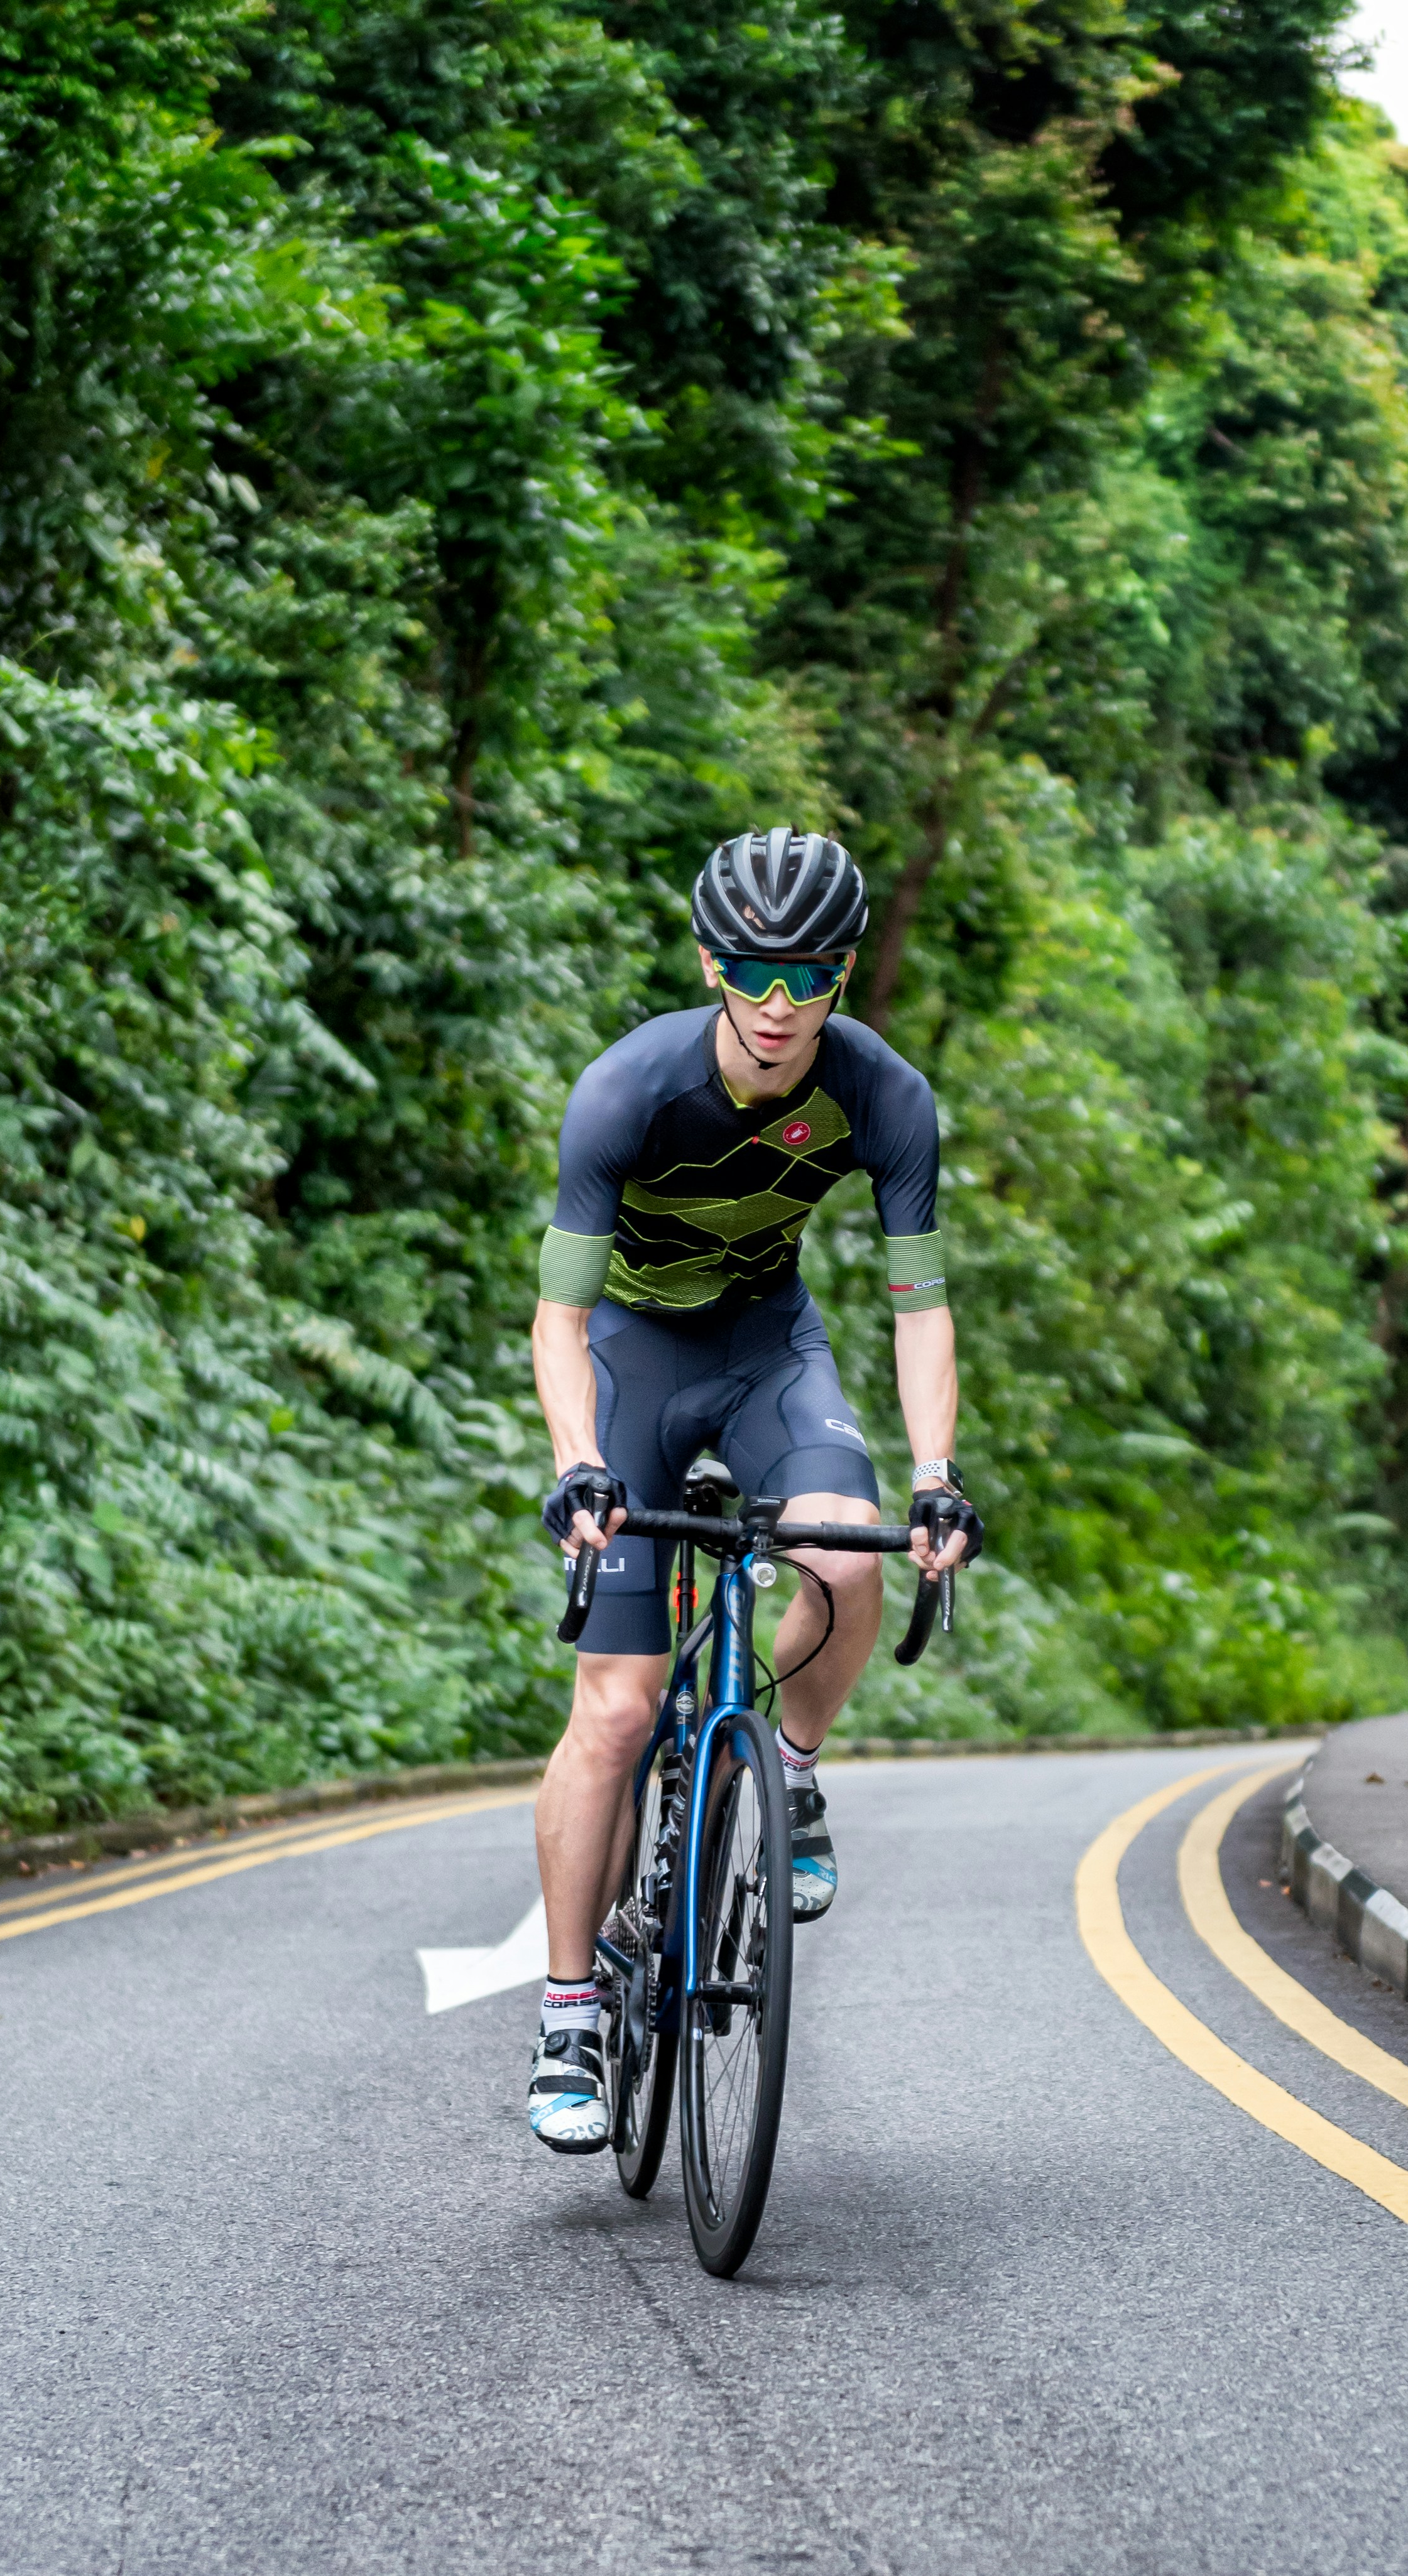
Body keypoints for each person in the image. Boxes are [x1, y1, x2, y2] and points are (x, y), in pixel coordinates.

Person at [524, 827, 983, 2153]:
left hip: (771, 1352)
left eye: (812, 971)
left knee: (847, 1559)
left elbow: (919, 1306)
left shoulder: (885, 1097)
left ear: (843, 973)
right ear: (712, 959)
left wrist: (937, 1474)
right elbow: (557, 1319)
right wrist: (578, 1465)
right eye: (755, 968)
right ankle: (566, 2013)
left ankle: (788, 1770)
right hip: (631, 1358)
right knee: (614, 1713)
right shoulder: (629, 1089)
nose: (781, 1002)